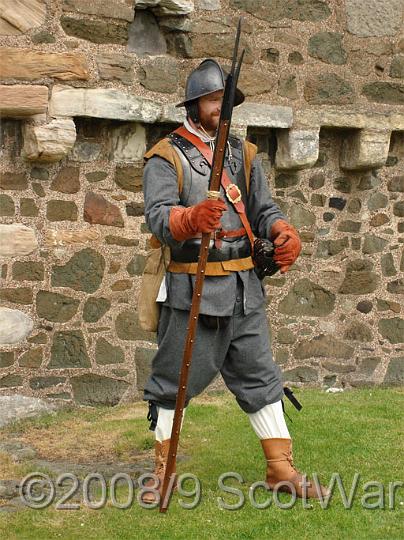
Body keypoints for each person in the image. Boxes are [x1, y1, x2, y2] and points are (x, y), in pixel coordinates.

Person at [141, 59, 329, 503]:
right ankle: (162, 473)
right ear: (193, 105)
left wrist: (283, 231)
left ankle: (280, 470)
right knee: (174, 381)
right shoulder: (165, 156)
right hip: (194, 289)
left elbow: (263, 210)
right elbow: (157, 216)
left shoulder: (242, 154)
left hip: (245, 287)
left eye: (224, 101)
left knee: (260, 375)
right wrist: (189, 218)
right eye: (212, 100)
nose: (219, 109)